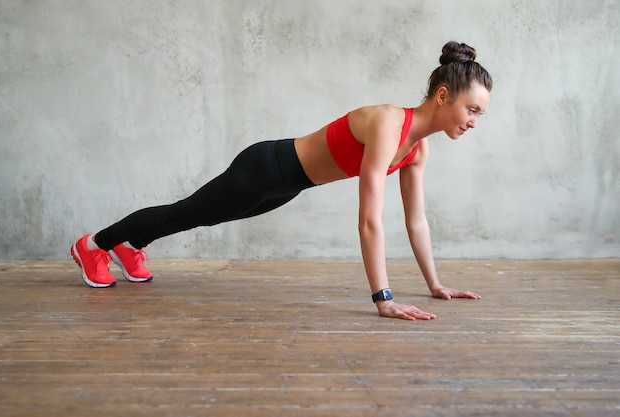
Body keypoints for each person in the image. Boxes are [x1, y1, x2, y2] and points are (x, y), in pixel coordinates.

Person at [71, 41, 492, 321]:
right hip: (266, 167)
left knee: (200, 218)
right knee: (188, 213)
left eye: (480, 114)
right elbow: (369, 221)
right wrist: (383, 299)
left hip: (287, 186)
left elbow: (416, 221)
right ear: (442, 96)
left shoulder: (418, 150)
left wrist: (435, 285)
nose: (474, 121)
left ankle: (130, 246)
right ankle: (94, 245)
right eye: (472, 110)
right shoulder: (388, 123)